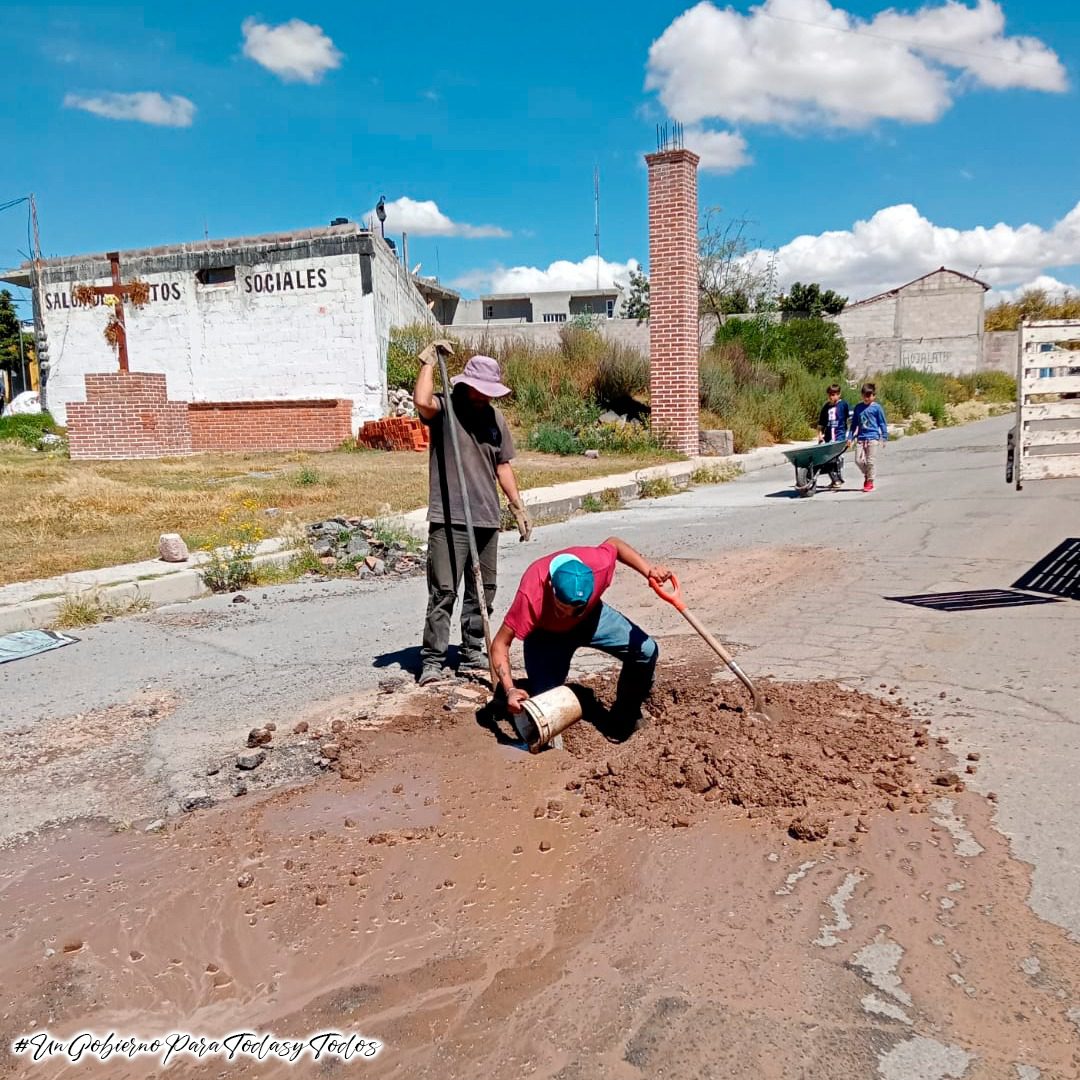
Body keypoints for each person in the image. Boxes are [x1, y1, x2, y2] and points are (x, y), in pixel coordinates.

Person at [414, 342, 532, 685]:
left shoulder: (495, 418)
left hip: (486, 517)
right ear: (467, 385)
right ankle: (433, 660)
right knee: (444, 590)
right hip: (450, 518)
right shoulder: (446, 408)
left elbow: (503, 465)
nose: (486, 398)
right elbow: (422, 401)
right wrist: (428, 362)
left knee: (484, 589)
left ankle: (471, 651)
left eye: (491, 393)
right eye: (482, 392)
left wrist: (517, 506)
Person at [489, 537, 671, 731]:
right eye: (561, 609)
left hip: (591, 619)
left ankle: (626, 714)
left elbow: (615, 545)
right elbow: (500, 644)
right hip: (546, 636)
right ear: (551, 588)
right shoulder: (532, 592)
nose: (567, 616)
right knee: (546, 706)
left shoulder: (598, 563)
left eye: (575, 609)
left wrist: (648, 570)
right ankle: (524, 693)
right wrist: (510, 689)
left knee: (646, 650)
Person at [848, 382, 888, 492]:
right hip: (861, 438)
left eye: (869, 395)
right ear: (862, 395)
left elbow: (882, 423)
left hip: (873, 437)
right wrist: (850, 438)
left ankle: (869, 481)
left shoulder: (877, 408)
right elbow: (854, 424)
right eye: (865, 395)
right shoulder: (858, 408)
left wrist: (884, 436)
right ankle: (867, 473)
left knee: (870, 461)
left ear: (873, 396)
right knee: (857, 460)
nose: (867, 398)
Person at [817, 383, 851, 488]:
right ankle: (835, 479)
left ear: (839, 394)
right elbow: (821, 423)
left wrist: (850, 437)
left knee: (837, 458)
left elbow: (850, 420)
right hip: (828, 437)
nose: (832, 397)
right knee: (827, 459)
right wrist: (820, 435)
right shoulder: (826, 407)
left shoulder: (843, 405)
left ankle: (837, 479)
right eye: (830, 394)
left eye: (835, 394)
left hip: (839, 436)